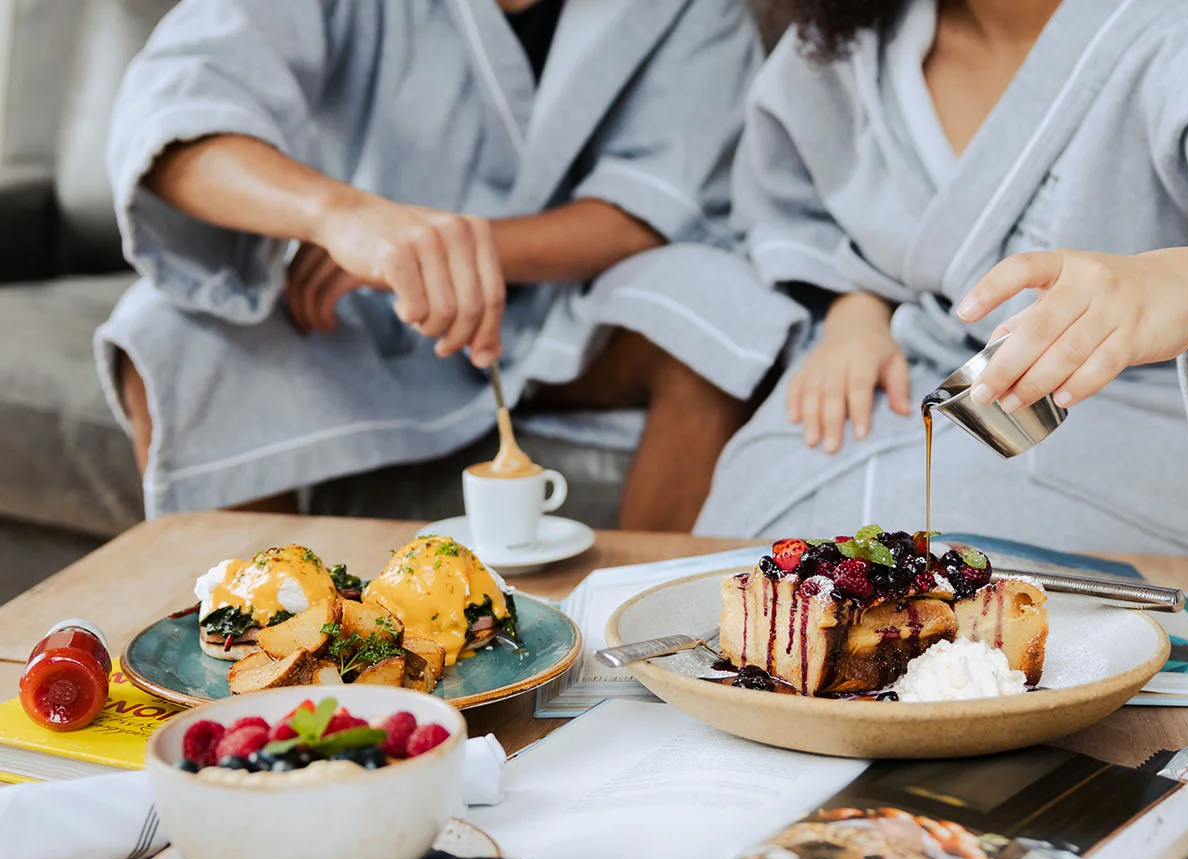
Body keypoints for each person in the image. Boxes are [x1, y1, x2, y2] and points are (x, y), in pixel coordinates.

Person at [692, 0, 1188, 588]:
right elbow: (795, 208)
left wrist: (1186, 283)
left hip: (1107, 425)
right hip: (880, 392)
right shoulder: (849, 39)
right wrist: (854, 311)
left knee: (946, 603)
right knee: (732, 569)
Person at [95, 0, 798, 530]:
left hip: (587, 309)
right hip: (369, 308)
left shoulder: (697, 11)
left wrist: (446, 247)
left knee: (724, 308)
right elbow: (175, 118)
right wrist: (343, 216)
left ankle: (650, 655)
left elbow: (652, 210)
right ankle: (266, 659)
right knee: (168, 330)